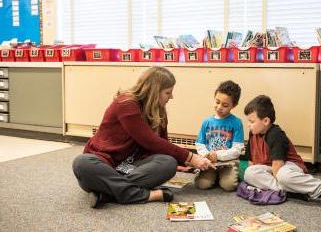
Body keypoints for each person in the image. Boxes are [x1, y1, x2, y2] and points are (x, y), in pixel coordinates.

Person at [72, 66, 215, 208]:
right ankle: (146, 195)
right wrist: (190, 157)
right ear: (154, 91)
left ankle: (107, 192)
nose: (171, 97)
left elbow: (162, 145)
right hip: (105, 162)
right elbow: (149, 141)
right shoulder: (126, 103)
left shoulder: (159, 110)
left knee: (168, 163)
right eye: (168, 92)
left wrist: (188, 162)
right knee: (82, 163)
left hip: (131, 167)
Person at [242, 95, 321, 211]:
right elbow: (251, 162)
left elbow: (277, 166)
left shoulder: (275, 134)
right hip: (271, 169)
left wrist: (266, 182)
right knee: (249, 173)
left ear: (265, 121)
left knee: (283, 176)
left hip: (288, 166)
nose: (248, 124)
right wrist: (254, 178)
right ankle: (290, 191)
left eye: (251, 121)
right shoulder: (253, 134)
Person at [195, 80, 244, 191]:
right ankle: (215, 176)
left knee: (229, 186)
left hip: (228, 162)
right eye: (217, 102)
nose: (219, 107)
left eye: (225, 105)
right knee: (202, 184)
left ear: (234, 105)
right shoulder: (206, 122)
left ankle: (223, 176)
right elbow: (199, 144)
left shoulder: (236, 123)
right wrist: (206, 154)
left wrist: (218, 155)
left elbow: (237, 149)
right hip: (210, 162)